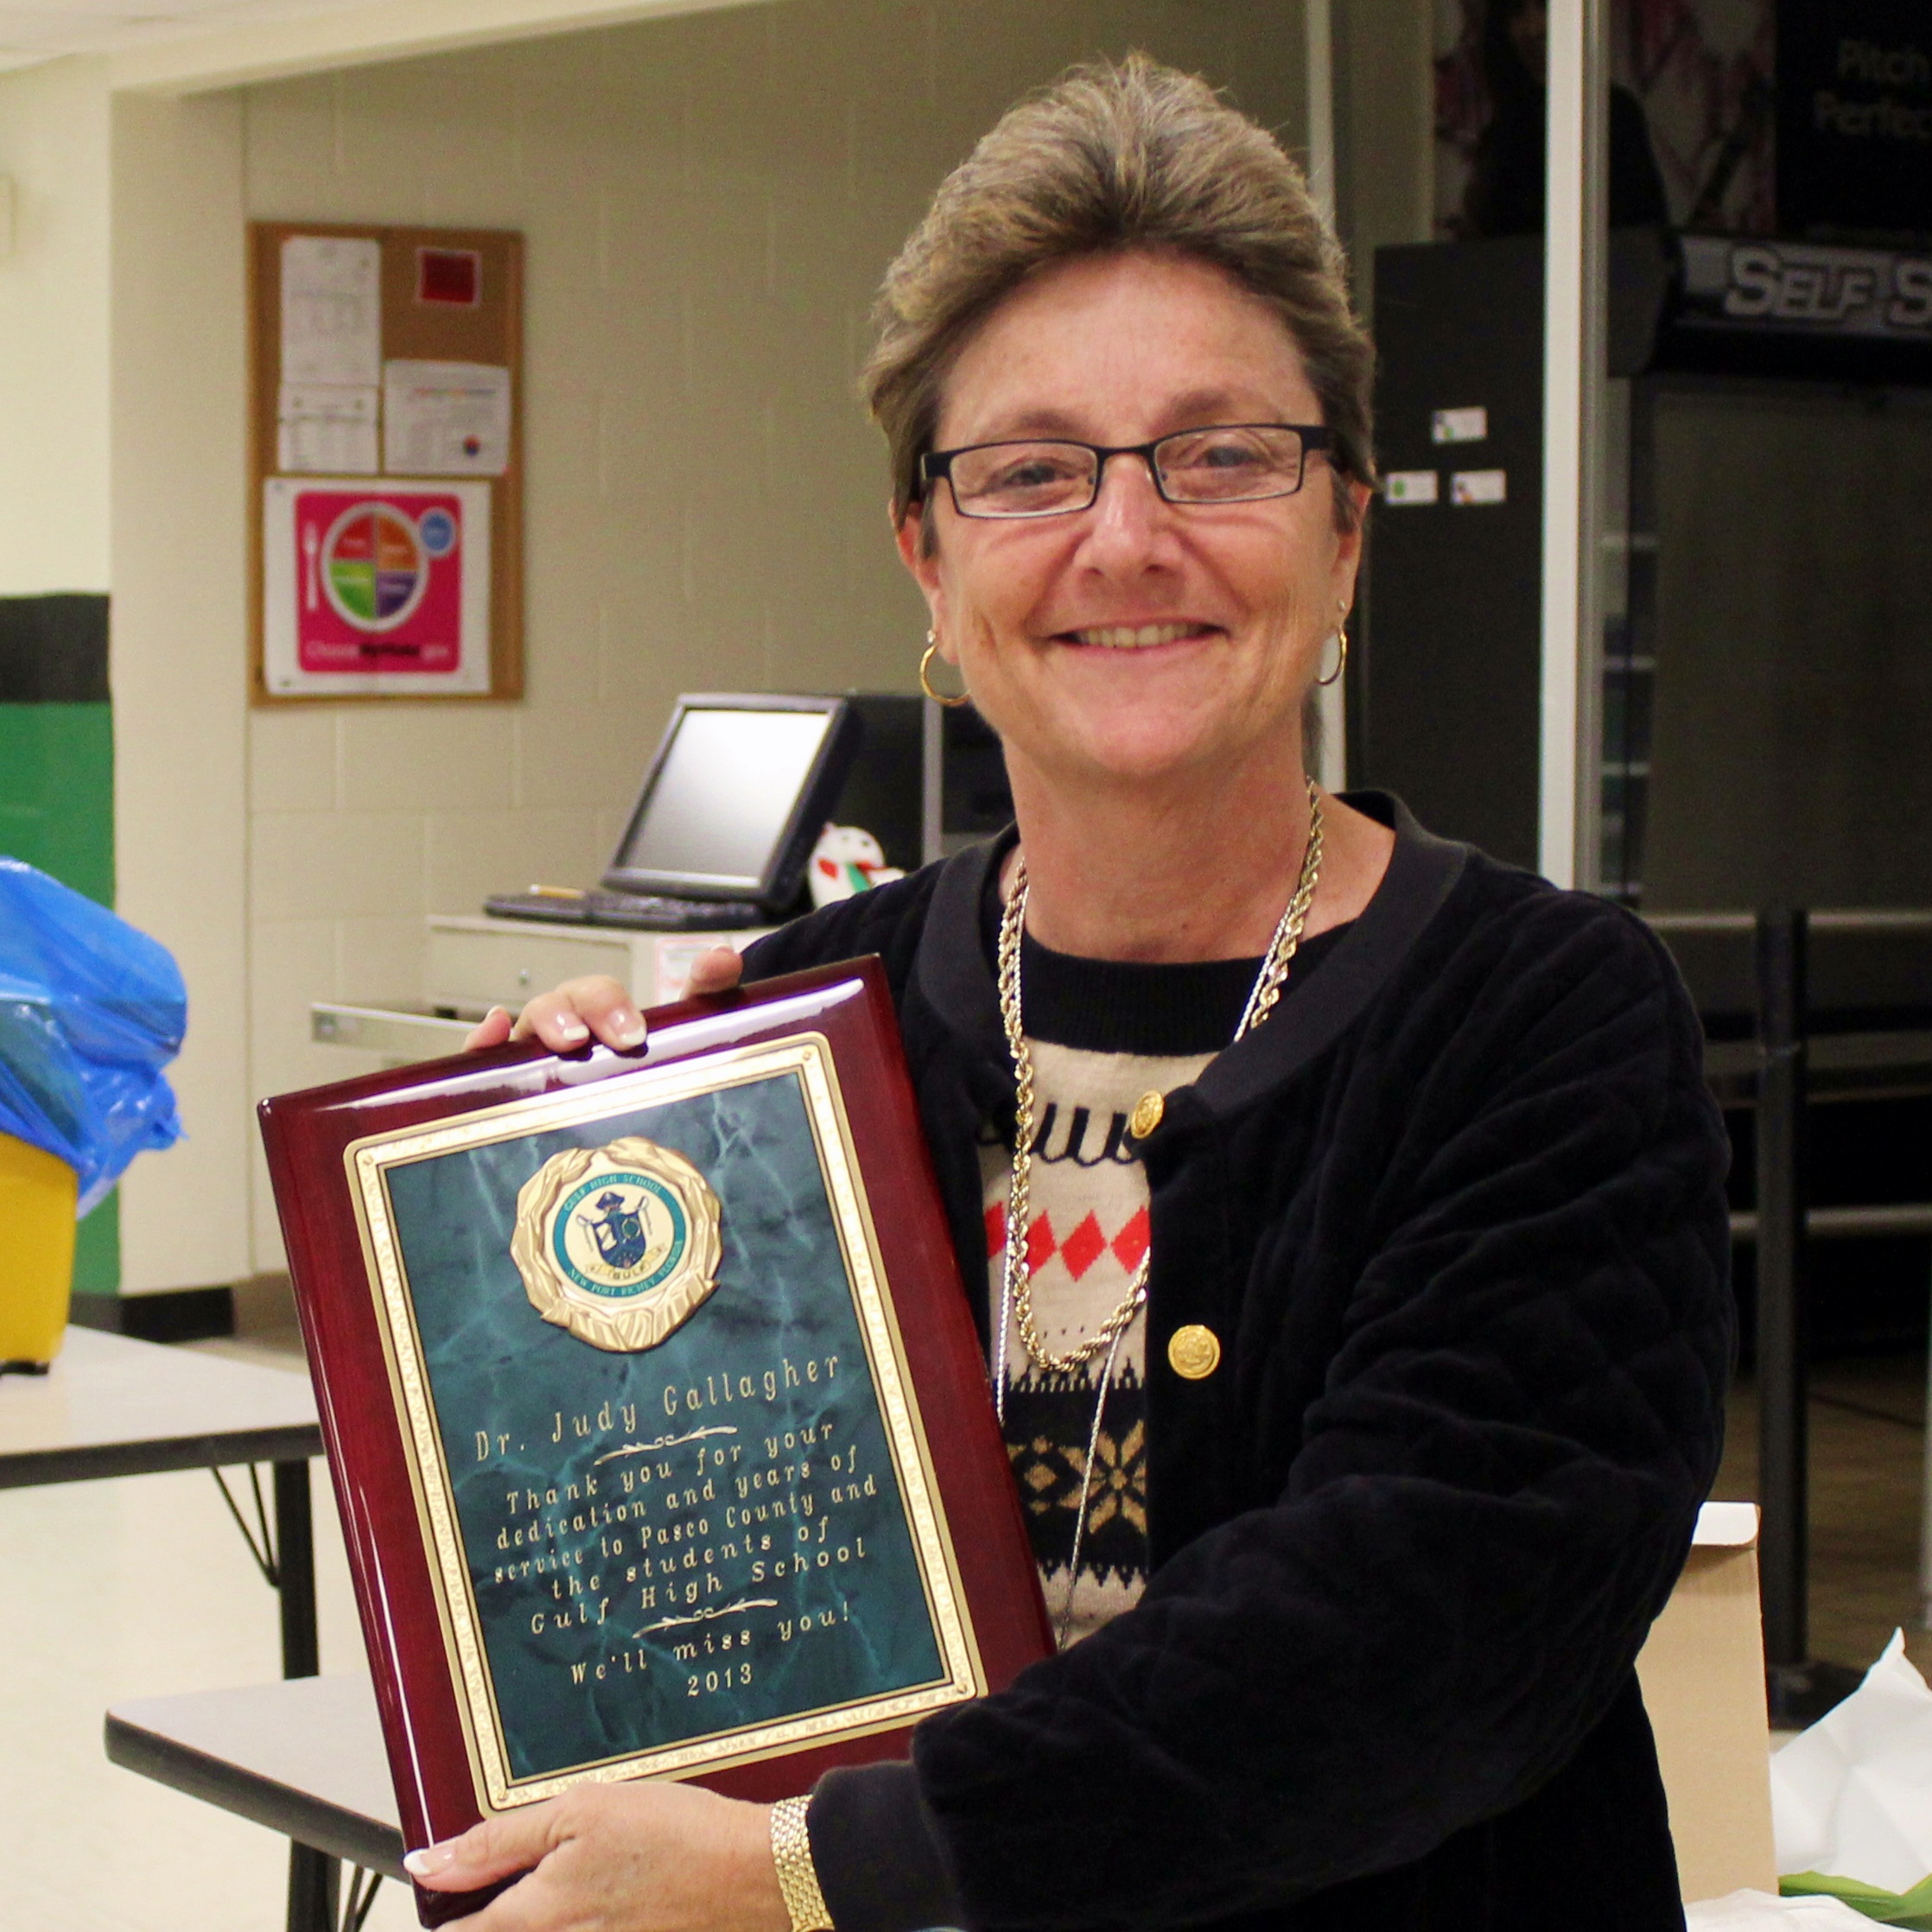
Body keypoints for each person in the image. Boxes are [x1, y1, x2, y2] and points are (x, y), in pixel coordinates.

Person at [426, 54, 1731, 1932]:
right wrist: (506, 1183)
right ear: (926, 555)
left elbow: (1418, 1628)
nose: (1125, 538)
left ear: (1345, 533)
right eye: (1031, 470)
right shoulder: (803, 1028)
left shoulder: (1543, 1024)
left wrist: (816, 1868)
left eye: (1222, 454)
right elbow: (611, 1563)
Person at [1461, 0, 1670, 238]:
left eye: (1545, 7)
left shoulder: (1612, 115)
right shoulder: (1501, 134)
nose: (1533, 29)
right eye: (1516, 12)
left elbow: (1645, 236)